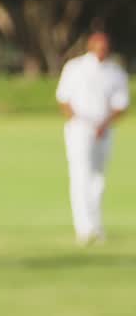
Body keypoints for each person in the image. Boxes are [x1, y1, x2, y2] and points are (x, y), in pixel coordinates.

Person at [56, 31, 129, 246]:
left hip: (104, 129)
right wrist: (81, 123)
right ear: (91, 45)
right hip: (79, 128)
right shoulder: (75, 68)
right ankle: (84, 227)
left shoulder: (115, 72)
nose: (101, 50)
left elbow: (121, 104)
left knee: (98, 179)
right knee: (80, 175)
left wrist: (104, 124)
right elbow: (64, 99)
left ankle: (96, 226)